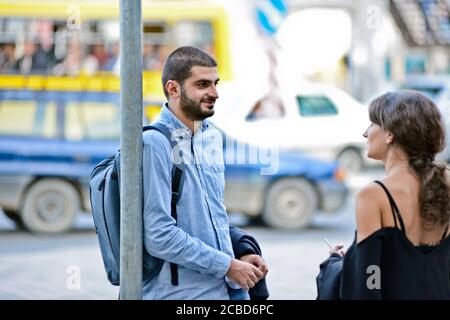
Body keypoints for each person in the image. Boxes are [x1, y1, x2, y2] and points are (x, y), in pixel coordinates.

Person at [142, 46, 268, 300]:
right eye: (202, 84)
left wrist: (240, 252)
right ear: (173, 88)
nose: (214, 93)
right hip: (184, 295)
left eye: (215, 83)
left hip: (229, 288)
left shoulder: (210, 136)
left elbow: (210, 215)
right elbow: (158, 235)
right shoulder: (154, 143)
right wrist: (228, 265)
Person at [317, 91, 450, 299]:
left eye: (371, 124)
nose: (365, 133)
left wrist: (337, 264)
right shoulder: (447, 181)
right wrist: (353, 259)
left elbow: (369, 282)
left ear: (389, 134)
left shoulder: (374, 195)